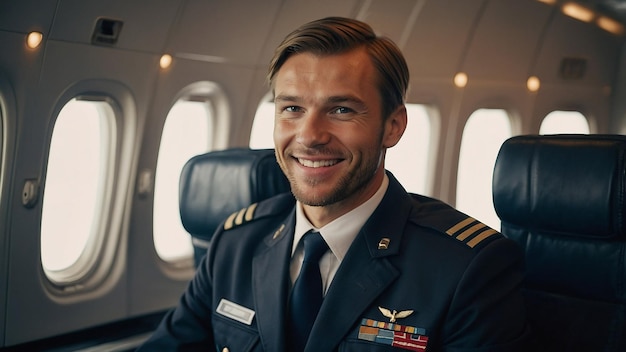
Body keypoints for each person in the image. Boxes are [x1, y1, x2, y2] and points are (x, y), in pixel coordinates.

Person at [138, 16, 530, 351]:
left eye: (341, 109)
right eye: (292, 108)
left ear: (393, 126)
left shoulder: (466, 267)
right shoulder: (236, 242)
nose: (310, 136)